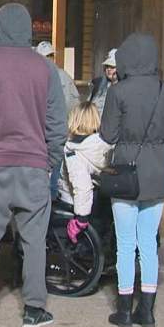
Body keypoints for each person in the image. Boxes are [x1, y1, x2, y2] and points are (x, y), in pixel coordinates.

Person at [0, 3, 68, 327]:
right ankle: (34, 310)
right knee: (35, 241)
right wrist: (49, 164)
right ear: (29, 31)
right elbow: (56, 126)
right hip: (34, 167)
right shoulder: (47, 70)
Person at [99, 33, 164, 327]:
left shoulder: (118, 91)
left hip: (125, 172)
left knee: (125, 242)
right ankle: (146, 311)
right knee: (148, 242)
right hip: (157, 171)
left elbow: (107, 134)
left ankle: (123, 310)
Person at [58, 102, 113, 243]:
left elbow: (82, 186)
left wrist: (81, 219)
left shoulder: (74, 150)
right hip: (102, 202)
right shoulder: (105, 145)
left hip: (75, 203)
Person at [36, 40, 80, 200]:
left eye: (50, 56)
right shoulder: (62, 77)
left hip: (52, 133)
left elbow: (73, 107)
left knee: (52, 174)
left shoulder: (62, 77)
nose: (48, 60)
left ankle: (49, 201)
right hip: (49, 133)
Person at [35, 41, 80, 113]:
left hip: (61, 119)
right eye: (46, 56)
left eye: (51, 55)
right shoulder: (32, 78)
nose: (48, 59)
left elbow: (74, 104)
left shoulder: (64, 76)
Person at [87, 49, 118, 114]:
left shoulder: (125, 88)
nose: (109, 69)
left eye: (112, 67)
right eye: (107, 66)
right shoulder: (98, 84)